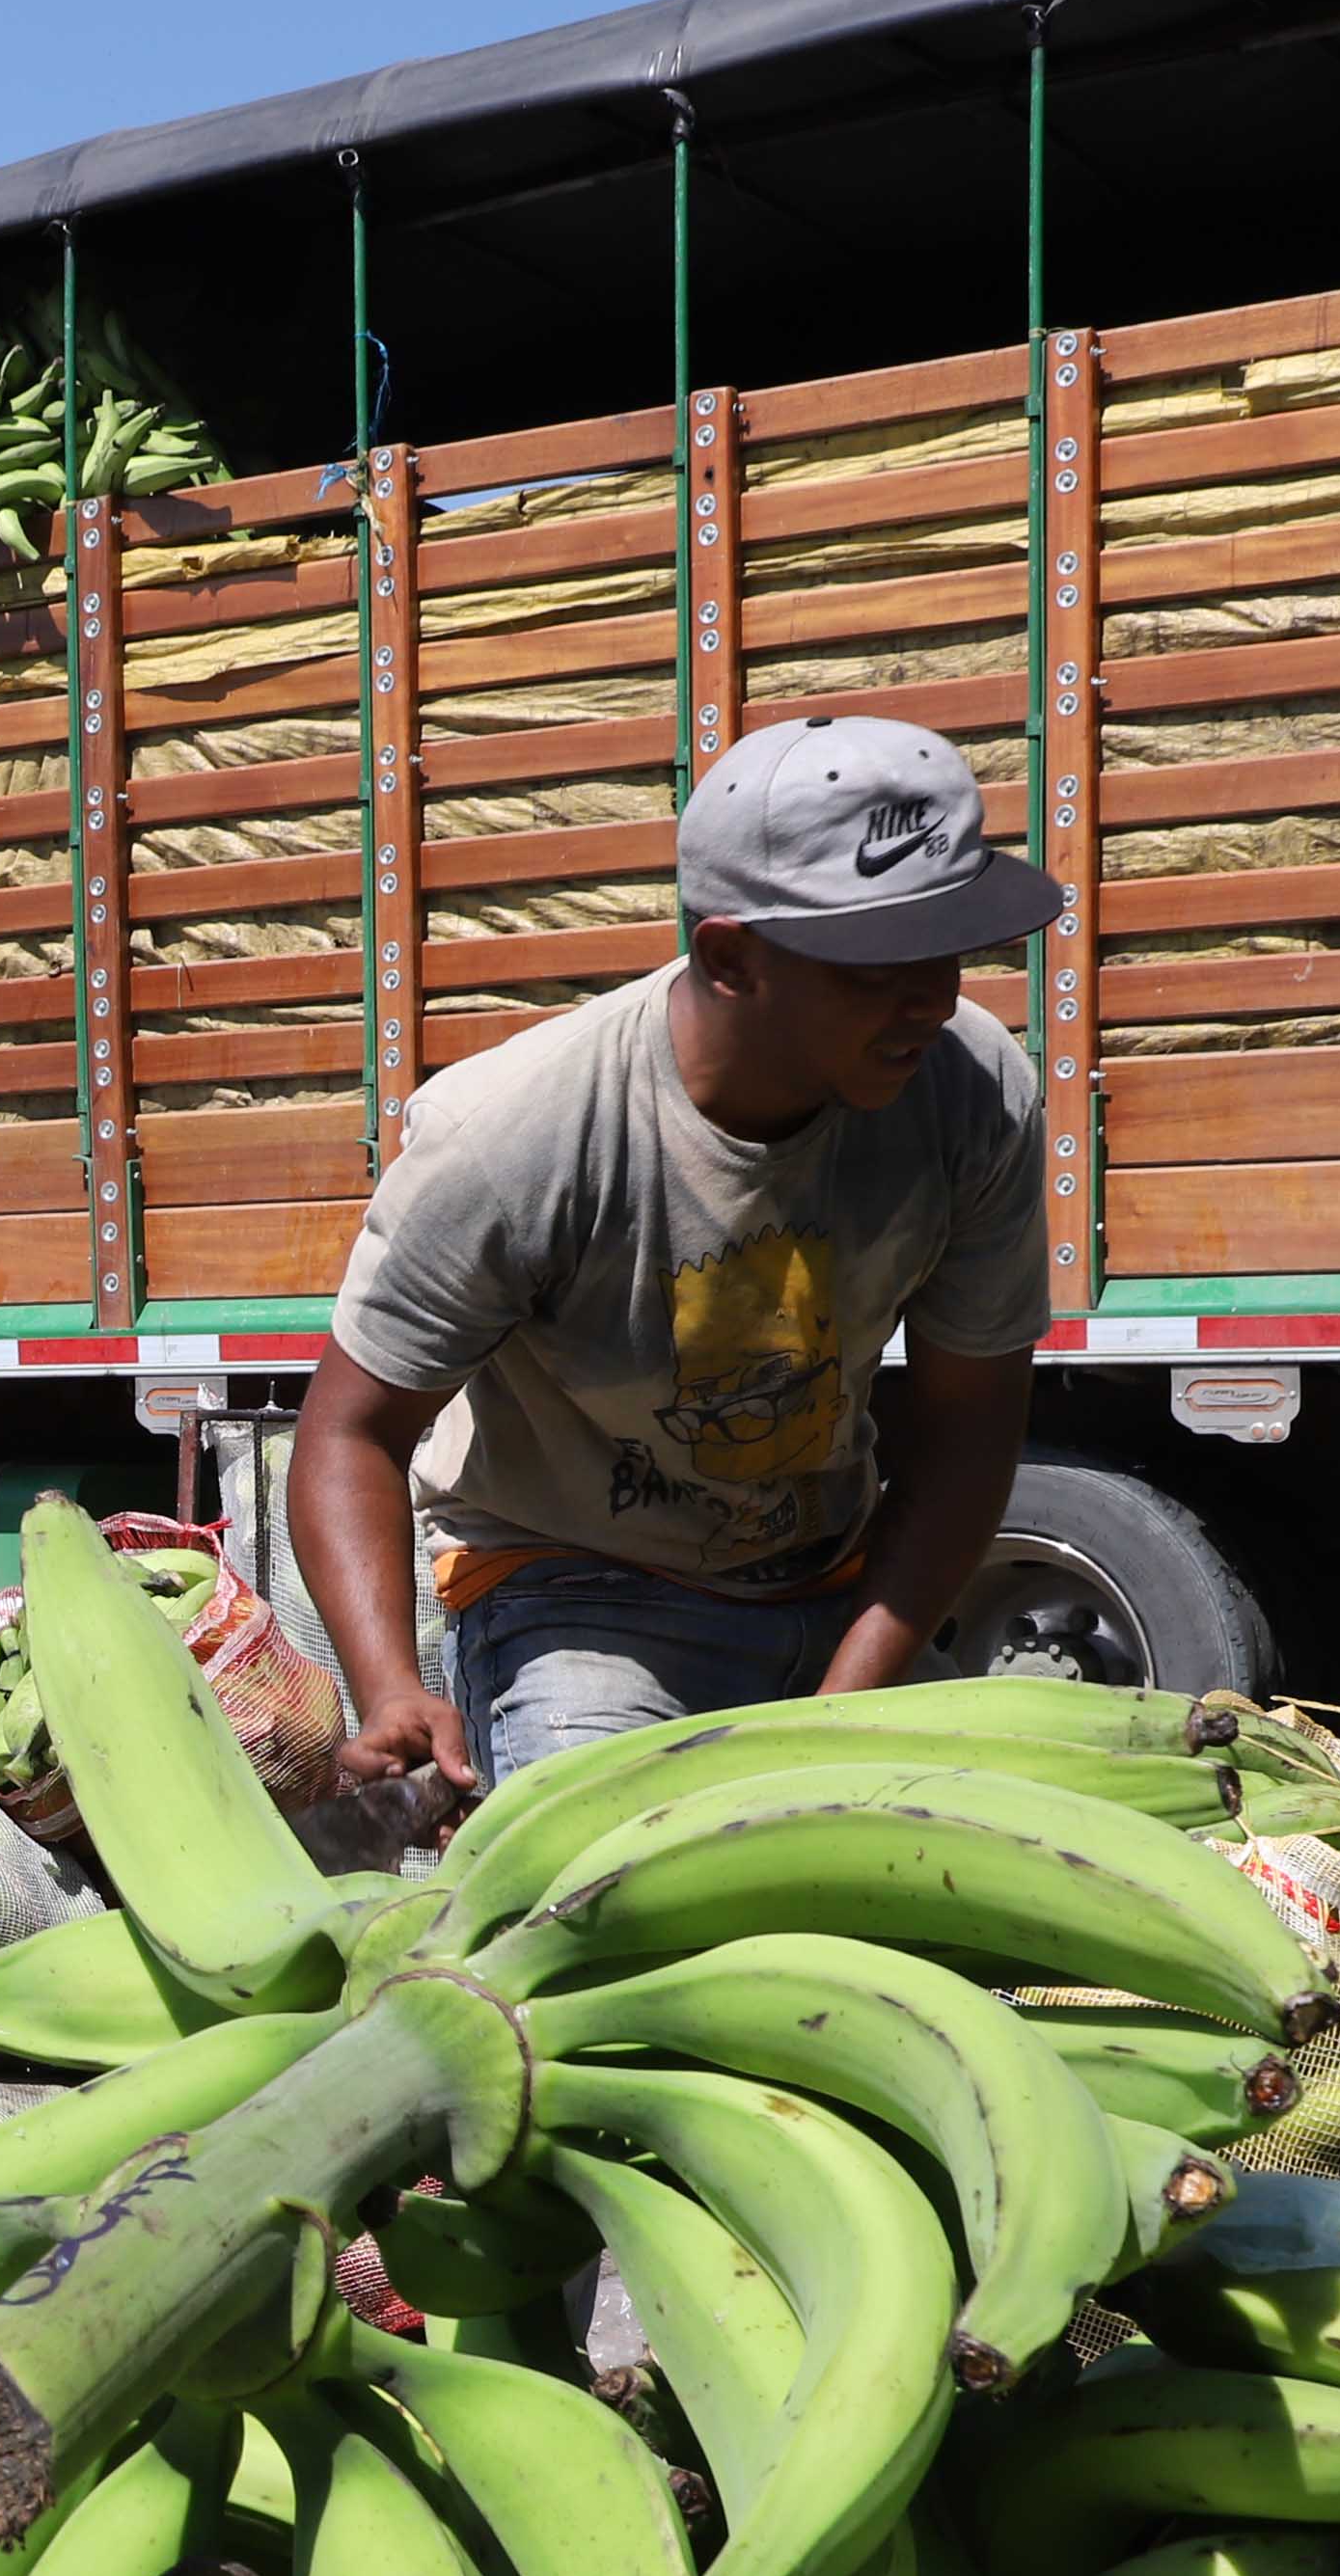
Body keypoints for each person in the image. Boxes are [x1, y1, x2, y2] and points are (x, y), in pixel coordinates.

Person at [298, 713, 1066, 1803]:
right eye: (878, 965)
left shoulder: (973, 1092)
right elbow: (349, 1432)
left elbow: (969, 1433)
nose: (933, 999)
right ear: (730, 957)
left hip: (839, 1586)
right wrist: (388, 1687)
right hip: (578, 1593)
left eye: (949, 950)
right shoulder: (515, 1136)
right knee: (614, 1917)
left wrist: (842, 1712)